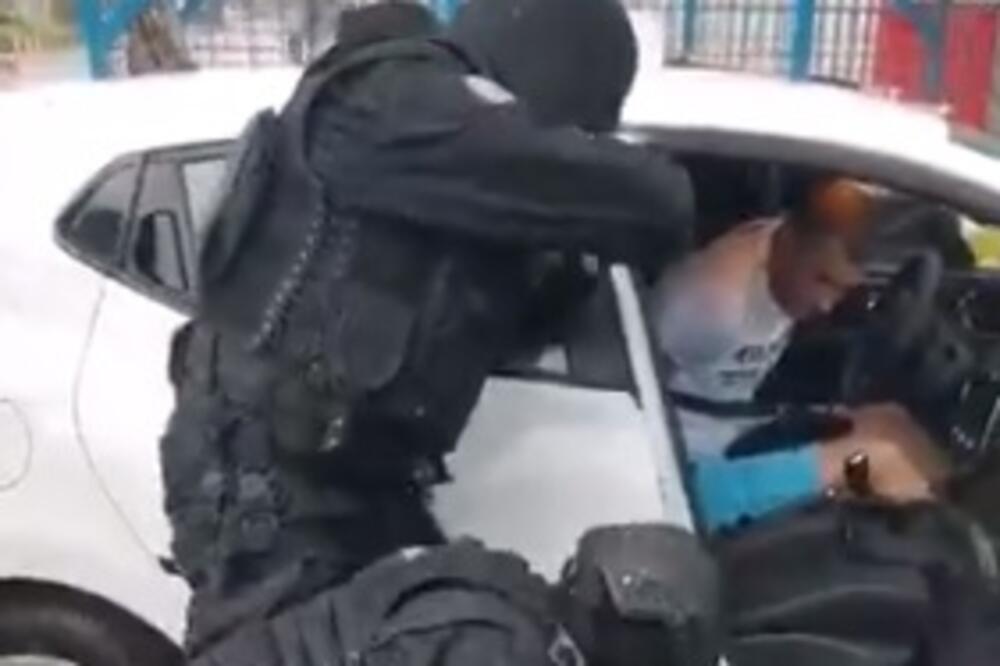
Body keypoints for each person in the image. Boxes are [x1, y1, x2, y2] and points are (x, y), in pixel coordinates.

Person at [162, 0, 700, 663]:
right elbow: (655, 202)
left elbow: (497, 307)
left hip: (345, 496)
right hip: (271, 508)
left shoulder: (432, 156)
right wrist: (580, 171)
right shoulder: (392, 105)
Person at [651, 174, 951, 529]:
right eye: (821, 278)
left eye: (841, 288)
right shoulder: (714, 304)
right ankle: (883, 535)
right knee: (878, 461)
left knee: (891, 422)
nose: (826, 303)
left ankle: (936, 524)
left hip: (736, 431)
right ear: (789, 238)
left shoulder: (780, 255)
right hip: (689, 485)